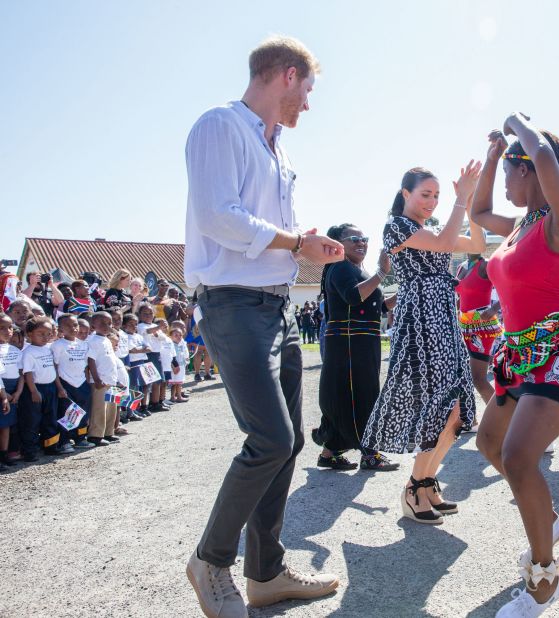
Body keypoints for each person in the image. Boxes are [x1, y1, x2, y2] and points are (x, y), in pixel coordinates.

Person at [183, 36, 344, 616]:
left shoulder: (279, 154)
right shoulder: (219, 125)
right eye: (308, 89)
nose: (308, 102)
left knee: (291, 441)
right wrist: (297, 241)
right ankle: (210, 560)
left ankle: (267, 573)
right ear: (286, 75)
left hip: (275, 305)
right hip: (232, 302)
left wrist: (308, 246)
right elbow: (218, 217)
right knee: (270, 439)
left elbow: (270, 234)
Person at [472, 116, 559, 616]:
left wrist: (519, 124)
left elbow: (547, 155)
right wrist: (490, 156)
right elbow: (479, 210)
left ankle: (544, 581)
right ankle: (546, 519)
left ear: (530, 172)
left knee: (519, 458)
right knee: (489, 444)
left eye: (510, 171)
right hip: (519, 355)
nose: (506, 181)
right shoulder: (520, 225)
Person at [363, 163, 483, 526]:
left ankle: (427, 481)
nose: (432, 202)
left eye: (436, 196)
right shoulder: (395, 226)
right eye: (425, 194)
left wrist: (472, 201)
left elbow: (475, 244)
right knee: (437, 402)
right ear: (405, 194)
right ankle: (415, 487)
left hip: (444, 315)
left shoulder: (432, 228)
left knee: (459, 406)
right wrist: (460, 201)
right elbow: (447, 243)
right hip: (420, 319)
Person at [315, 224, 399, 471]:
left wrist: (402, 294)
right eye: (354, 238)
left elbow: (378, 308)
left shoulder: (354, 270)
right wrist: (382, 274)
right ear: (337, 244)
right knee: (361, 394)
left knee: (345, 394)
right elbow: (353, 297)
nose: (361, 242)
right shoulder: (340, 267)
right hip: (349, 343)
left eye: (364, 238)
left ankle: (330, 452)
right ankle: (370, 453)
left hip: (361, 342)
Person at [455, 253, 503, 410]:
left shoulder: (485, 264)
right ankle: (472, 420)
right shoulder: (462, 266)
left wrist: (494, 308)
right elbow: (461, 297)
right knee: (466, 377)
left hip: (482, 326)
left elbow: (507, 287)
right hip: (464, 326)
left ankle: (501, 419)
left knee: (479, 379)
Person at [20, 316, 69, 459]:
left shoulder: (49, 349)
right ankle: (30, 451)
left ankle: (50, 446)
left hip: (50, 388)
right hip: (35, 389)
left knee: (50, 418)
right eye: (40, 334)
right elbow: (27, 373)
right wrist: (34, 391)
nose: (45, 337)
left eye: (48, 334)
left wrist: (59, 388)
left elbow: (53, 370)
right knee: (32, 421)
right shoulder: (28, 352)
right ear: (30, 334)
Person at [51, 314, 94, 449]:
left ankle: (80, 438)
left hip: (81, 384)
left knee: (82, 412)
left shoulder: (83, 345)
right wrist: (59, 388)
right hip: (66, 384)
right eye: (68, 325)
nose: (73, 328)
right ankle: (64, 441)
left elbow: (86, 367)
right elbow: (55, 368)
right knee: (67, 413)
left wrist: (88, 384)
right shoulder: (57, 345)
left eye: (75, 324)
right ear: (60, 329)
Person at [86, 312, 120, 446]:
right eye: (102, 323)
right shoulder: (93, 341)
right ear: (93, 325)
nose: (106, 326)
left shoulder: (107, 339)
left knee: (111, 408)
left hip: (111, 379)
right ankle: (95, 435)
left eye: (109, 323)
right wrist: (97, 379)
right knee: (99, 409)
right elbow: (91, 361)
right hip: (100, 381)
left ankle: (108, 432)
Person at [0, 315, 23, 467]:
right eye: (2, 328)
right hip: (3, 392)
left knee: (6, 425)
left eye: (10, 327)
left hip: (14, 391)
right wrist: (4, 396)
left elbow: (21, 373)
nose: (8, 331)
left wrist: (18, 392)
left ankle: (4, 454)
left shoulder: (14, 349)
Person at [169, 327, 190, 403]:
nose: (179, 337)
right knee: (176, 382)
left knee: (177, 382)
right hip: (175, 366)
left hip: (181, 366)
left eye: (180, 335)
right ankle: (178, 397)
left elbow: (184, 354)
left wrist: (186, 359)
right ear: (171, 336)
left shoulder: (182, 344)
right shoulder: (171, 345)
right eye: (176, 335)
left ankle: (174, 397)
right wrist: (173, 366)